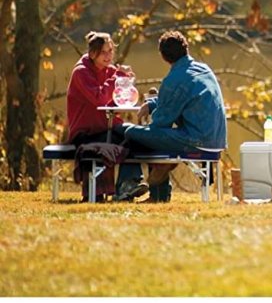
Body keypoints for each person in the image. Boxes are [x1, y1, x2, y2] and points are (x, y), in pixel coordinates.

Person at [119, 30, 227, 202]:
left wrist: (143, 126)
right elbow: (181, 98)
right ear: (186, 48)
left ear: (163, 56)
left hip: (196, 140)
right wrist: (152, 104)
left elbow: (161, 122)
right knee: (156, 138)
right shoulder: (203, 69)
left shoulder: (174, 79)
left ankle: (130, 185)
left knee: (130, 133)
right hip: (217, 140)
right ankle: (158, 195)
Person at [66, 31, 146, 202]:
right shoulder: (81, 72)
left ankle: (128, 184)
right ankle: (124, 187)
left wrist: (126, 87)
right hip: (85, 134)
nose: (109, 55)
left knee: (134, 135)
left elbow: (117, 101)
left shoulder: (110, 71)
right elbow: (100, 98)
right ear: (92, 53)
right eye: (104, 52)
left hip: (107, 127)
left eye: (111, 51)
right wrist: (118, 78)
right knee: (126, 138)